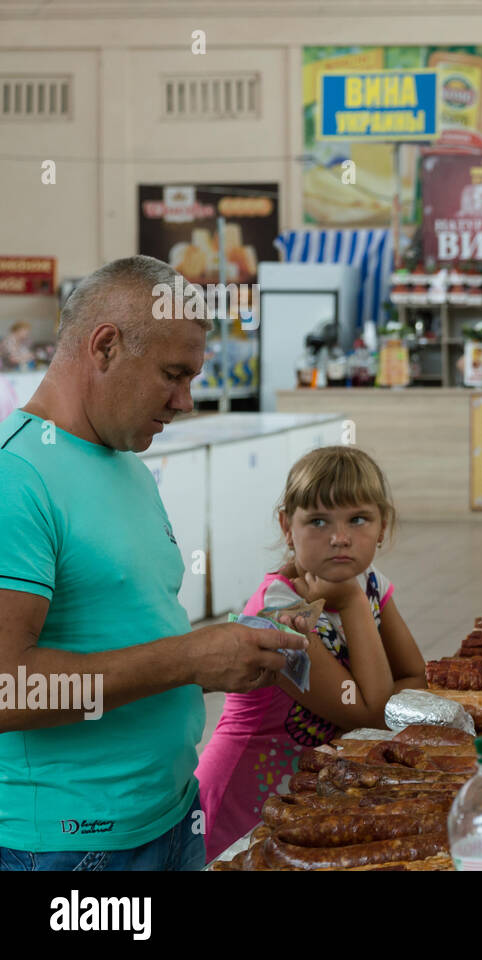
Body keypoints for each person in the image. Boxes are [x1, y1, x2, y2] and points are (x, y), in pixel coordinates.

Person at [0, 256, 309, 871]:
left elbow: (129, 628)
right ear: (106, 346)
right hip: (69, 845)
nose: (186, 400)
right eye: (173, 374)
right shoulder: (18, 477)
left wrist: (221, 655)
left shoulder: (128, 465)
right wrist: (189, 658)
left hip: (169, 816)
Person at [197, 445, 425, 860]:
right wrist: (352, 603)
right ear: (287, 527)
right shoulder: (281, 613)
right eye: (318, 521)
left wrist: (355, 597)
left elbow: (415, 680)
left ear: (383, 526)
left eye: (358, 519)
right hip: (243, 802)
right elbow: (374, 713)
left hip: (304, 797)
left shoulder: (370, 582)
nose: (340, 538)